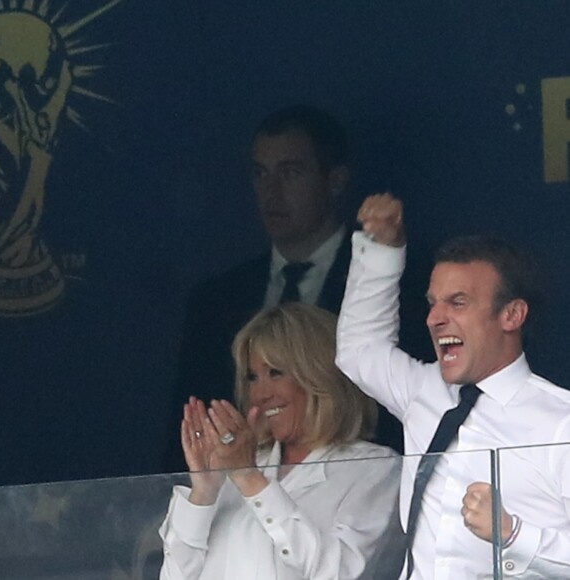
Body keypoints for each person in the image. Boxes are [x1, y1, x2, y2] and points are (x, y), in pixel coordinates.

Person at [336, 192, 570, 578]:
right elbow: (359, 351)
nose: (434, 318)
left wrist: (513, 535)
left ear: (511, 314)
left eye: (458, 303)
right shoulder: (421, 391)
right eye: (434, 302)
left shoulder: (560, 421)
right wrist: (383, 250)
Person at [166, 106, 403, 473]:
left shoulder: (400, 285)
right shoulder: (215, 300)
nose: (271, 191)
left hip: (353, 490)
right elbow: (188, 431)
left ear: (335, 179)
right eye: (260, 174)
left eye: (291, 173)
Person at [159, 303, 404, 579]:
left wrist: (251, 481)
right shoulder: (237, 467)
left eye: (275, 373)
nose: (261, 394)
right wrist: (204, 491)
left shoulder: (375, 468)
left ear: (318, 375)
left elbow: (341, 573)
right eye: (252, 377)